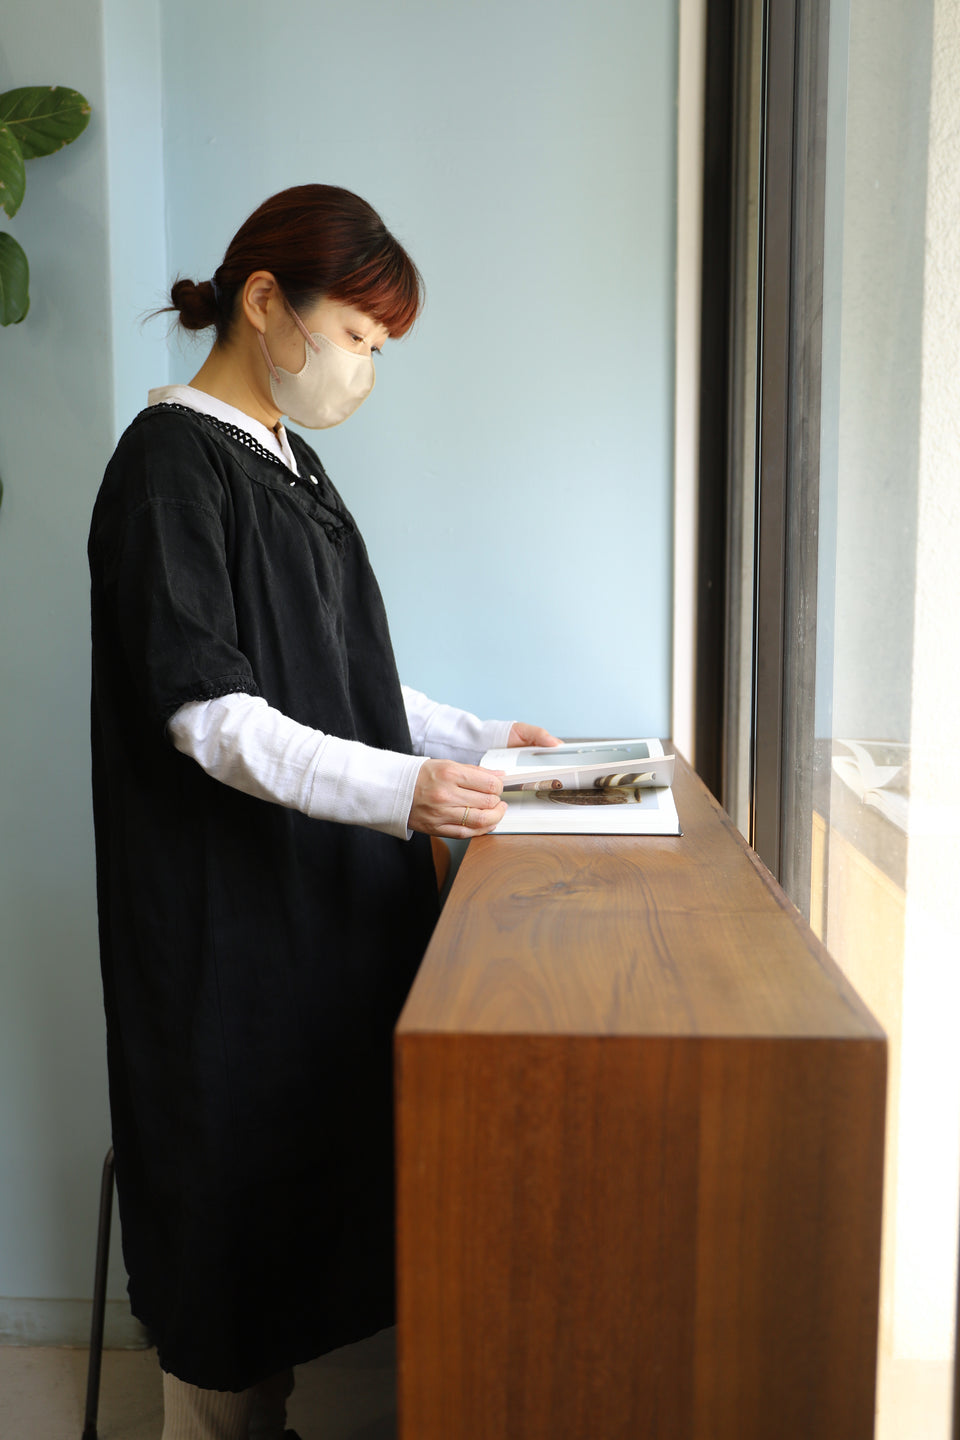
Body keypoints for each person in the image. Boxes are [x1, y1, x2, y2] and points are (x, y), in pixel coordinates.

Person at [88, 183, 559, 1440]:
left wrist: (470, 738)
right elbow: (209, 714)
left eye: (379, 350)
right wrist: (406, 791)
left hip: (311, 917)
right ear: (264, 303)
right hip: (225, 925)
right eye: (357, 338)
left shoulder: (289, 462)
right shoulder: (167, 469)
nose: (363, 370)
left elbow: (335, 671)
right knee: (230, 1222)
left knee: (294, 1200)